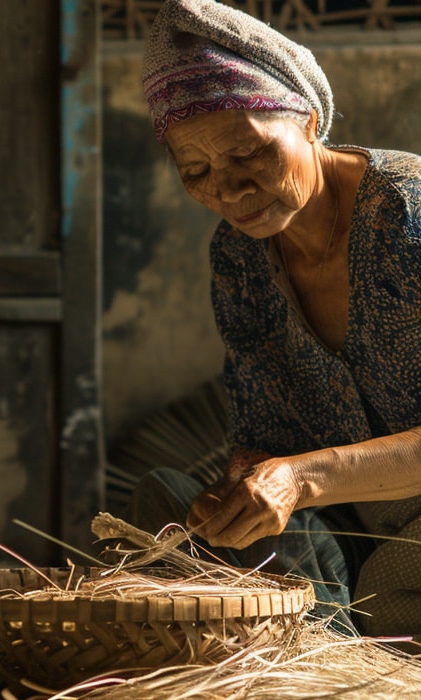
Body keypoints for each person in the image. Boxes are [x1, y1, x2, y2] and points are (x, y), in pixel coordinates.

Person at [128, 0, 421, 636]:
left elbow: (300, 472)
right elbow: (266, 435)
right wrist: (240, 492)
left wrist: (301, 479)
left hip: (397, 545)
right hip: (355, 521)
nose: (229, 192)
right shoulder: (239, 256)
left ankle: (337, 637)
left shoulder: (406, 213)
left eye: (249, 155)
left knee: (391, 589)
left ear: (309, 121)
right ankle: (322, 634)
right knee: (169, 504)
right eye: (197, 172)